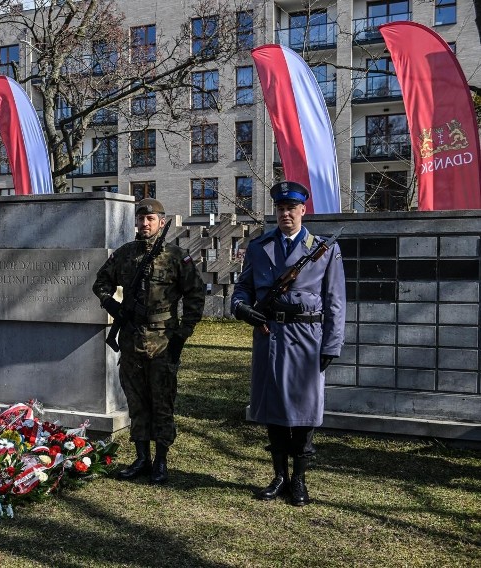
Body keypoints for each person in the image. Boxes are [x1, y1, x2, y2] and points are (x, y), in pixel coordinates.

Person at [231, 181, 346, 506]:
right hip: (269, 337)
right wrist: (242, 308)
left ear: (302, 211)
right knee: (273, 406)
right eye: (280, 208)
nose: (285, 214)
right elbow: (243, 288)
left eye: (291, 208)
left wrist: (331, 345)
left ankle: (299, 480)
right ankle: (279, 475)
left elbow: (335, 301)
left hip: (308, 340)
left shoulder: (324, 249)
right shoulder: (260, 246)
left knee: (306, 409)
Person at [93, 198, 205, 484]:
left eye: (150, 219)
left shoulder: (176, 256)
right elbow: (100, 282)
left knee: (162, 401)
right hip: (131, 338)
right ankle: (141, 457)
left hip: (163, 340)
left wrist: (184, 332)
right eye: (141, 219)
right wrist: (112, 305)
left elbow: (196, 294)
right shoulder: (125, 254)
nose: (144, 224)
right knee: (136, 400)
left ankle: (161, 461)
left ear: (161, 222)